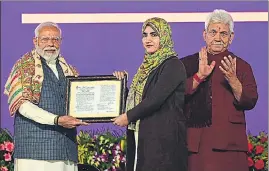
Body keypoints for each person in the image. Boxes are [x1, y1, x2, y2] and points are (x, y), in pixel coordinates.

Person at [4, 21, 89, 171]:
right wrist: (56, 120)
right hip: (34, 153)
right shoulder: (23, 67)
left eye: (55, 39)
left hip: (66, 150)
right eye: (45, 39)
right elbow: (23, 106)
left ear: (60, 42)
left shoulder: (69, 70)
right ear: (35, 41)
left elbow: (82, 102)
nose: (50, 44)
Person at [180, 9, 258, 171]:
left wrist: (233, 79)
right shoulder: (187, 64)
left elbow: (250, 100)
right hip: (196, 146)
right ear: (204, 34)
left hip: (230, 145)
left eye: (224, 33)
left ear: (231, 38)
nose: (217, 37)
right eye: (213, 32)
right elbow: (177, 96)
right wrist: (199, 76)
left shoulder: (241, 66)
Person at [112, 17, 187, 171]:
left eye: (154, 34)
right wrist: (121, 85)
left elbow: (155, 99)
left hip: (162, 141)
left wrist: (128, 117)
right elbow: (140, 99)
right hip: (142, 135)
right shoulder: (145, 67)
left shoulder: (173, 65)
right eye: (145, 35)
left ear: (164, 36)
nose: (148, 39)